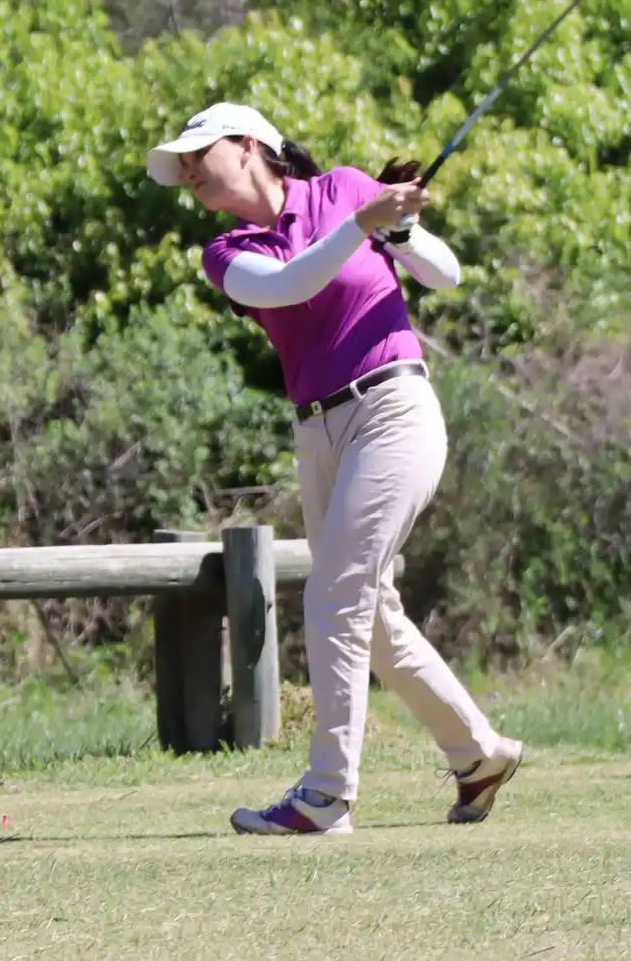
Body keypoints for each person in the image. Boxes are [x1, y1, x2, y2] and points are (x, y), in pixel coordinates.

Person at [146, 102, 524, 836]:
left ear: (249, 145)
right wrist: (364, 225)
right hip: (319, 433)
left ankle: (326, 795)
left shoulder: (345, 188)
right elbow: (288, 286)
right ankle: (479, 754)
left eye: (200, 151)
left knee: (336, 594)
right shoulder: (226, 250)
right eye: (182, 164)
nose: (188, 170)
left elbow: (444, 275)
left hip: (393, 410)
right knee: (371, 616)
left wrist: (401, 227)